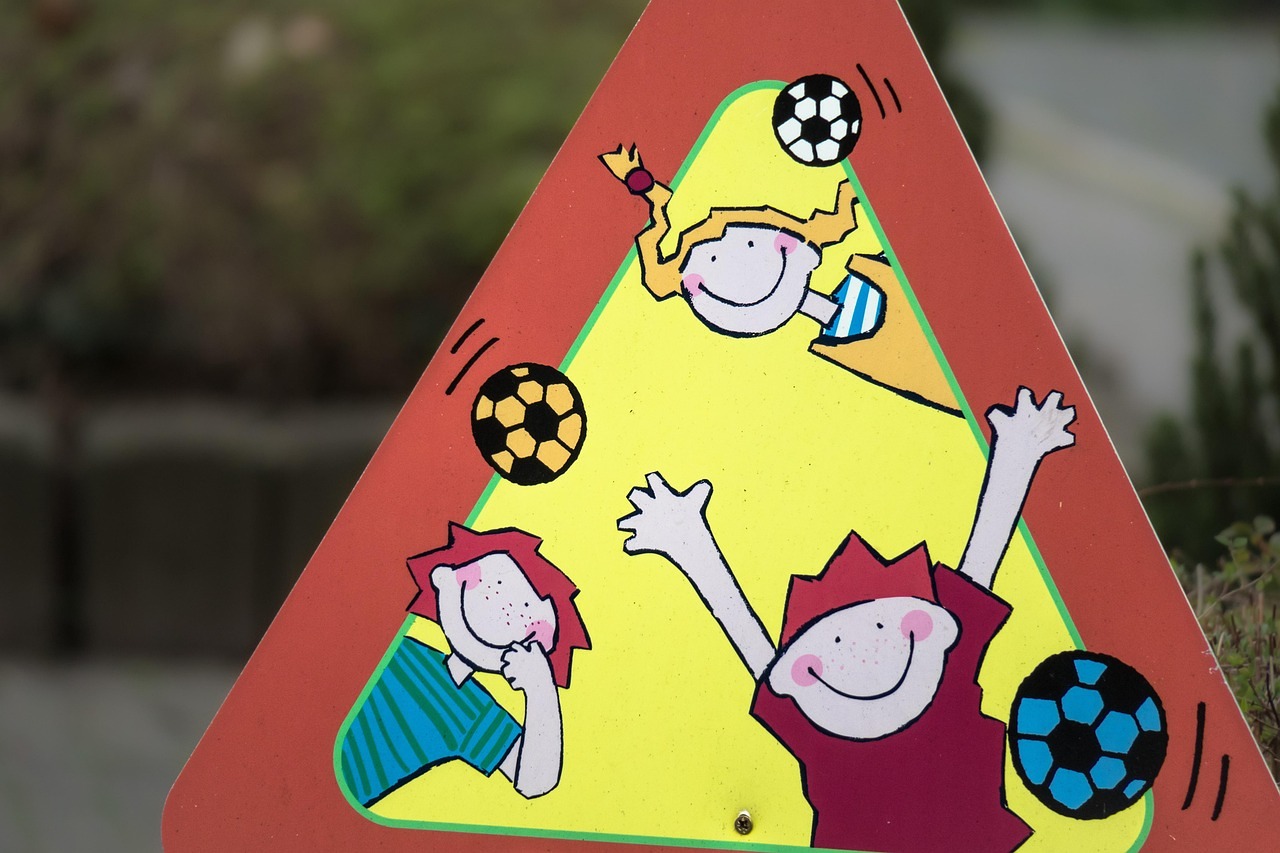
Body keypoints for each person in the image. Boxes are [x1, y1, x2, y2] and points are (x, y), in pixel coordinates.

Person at [617, 388, 1076, 851]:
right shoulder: (812, 717)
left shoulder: (944, 669)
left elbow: (978, 568)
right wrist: (689, 544)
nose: (861, 651)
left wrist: (1018, 453)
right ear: (805, 667)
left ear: (919, 624)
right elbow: (759, 656)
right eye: (835, 642)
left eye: (878, 626)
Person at [338, 523, 590, 807]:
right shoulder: (399, 650)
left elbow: (533, 781)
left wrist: (541, 690)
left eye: (522, 612)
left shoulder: (473, 712)